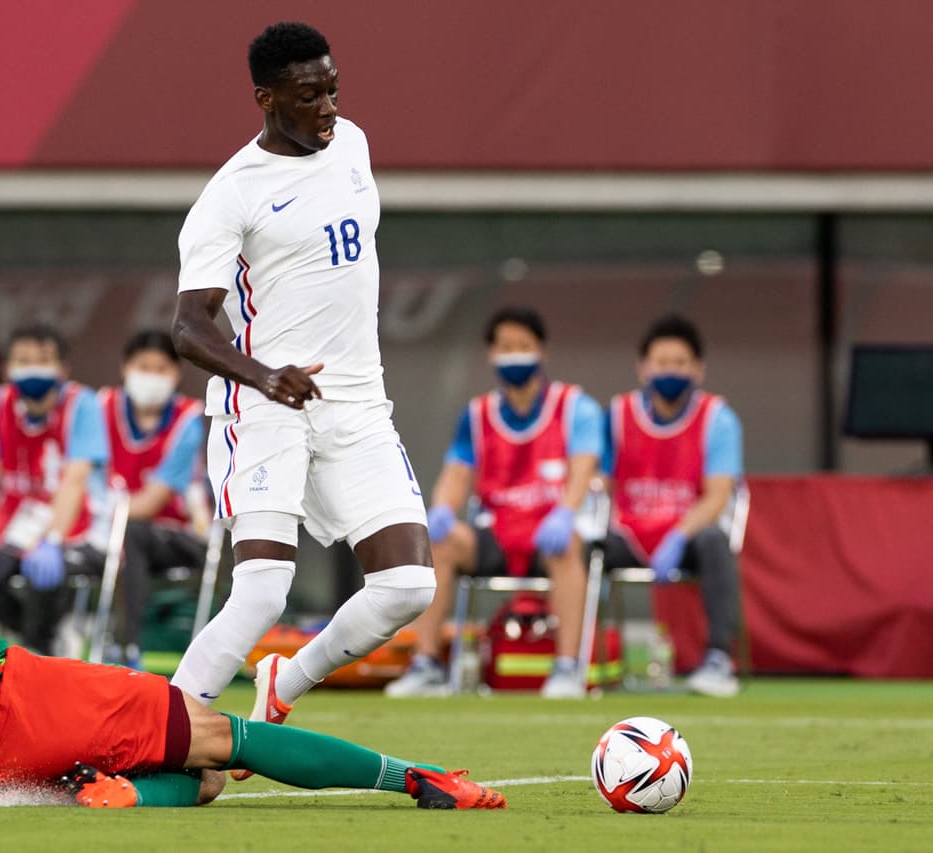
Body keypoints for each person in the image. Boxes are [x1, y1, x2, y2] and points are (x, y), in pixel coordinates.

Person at [0, 376, 505, 811]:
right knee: (221, 736)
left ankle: (120, 791)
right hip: (22, 701)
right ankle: (415, 778)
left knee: (205, 782)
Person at [170, 21, 436, 764]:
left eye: (333, 90)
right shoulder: (231, 194)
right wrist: (263, 374)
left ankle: (285, 681)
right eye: (309, 95)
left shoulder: (352, 145)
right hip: (265, 406)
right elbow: (188, 327)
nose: (328, 108)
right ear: (266, 98)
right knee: (262, 590)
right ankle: (156, 733)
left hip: (358, 403)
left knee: (408, 586)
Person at [385, 307, 603, 700]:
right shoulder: (476, 415)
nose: (514, 354)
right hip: (498, 533)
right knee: (441, 543)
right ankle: (427, 664)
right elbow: (456, 473)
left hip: (549, 534)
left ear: (541, 350)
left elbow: (584, 468)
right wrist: (442, 509)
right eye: (505, 346)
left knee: (568, 546)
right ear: (491, 353)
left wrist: (566, 513)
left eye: (522, 345)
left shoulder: (575, 407)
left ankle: (568, 667)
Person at [603, 315, 744, 698]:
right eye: (662, 362)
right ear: (643, 368)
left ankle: (718, 659)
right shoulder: (617, 415)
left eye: (680, 363)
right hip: (629, 533)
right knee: (582, 548)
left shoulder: (718, 419)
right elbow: (600, 482)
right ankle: (578, 661)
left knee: (716, 541)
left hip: (688, 536)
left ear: (698, 369)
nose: (670, 371)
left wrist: (678, 536)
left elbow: (718, 496)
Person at [0, 324, 107, 654]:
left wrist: (52, 539)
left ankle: (40, 648)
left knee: (44, 578)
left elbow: (74, 481)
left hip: (75, 529)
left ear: (63, 369)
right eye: (23, 360)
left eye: (43, 360)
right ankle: (45, 636)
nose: (33, 368)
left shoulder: (83, 405)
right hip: (13, 529)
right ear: (6, 369)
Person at [97, 330, 207, 670]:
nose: (151, 376)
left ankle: (128, 649)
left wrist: (97, 516)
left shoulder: (188, 420)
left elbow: (151, 503)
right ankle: (57, 642)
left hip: (178, 535)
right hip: (106, 530)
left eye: (161, 369)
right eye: (143, 367)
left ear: (177, 373)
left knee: (130, 534)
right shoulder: (101, 408)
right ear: (125, 368)